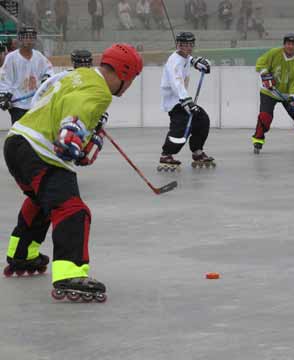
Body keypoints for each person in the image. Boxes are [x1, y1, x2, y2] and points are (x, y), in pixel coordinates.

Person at [3, 43, 143, 302]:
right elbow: (79, 105)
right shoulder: (100, 92)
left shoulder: (79, 75)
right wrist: (72, 131)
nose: (131, 83)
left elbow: (47, 95)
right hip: (41, 150)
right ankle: (70, 274)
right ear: (125, 72)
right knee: (72, 210)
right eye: (133, 78)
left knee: (41, 201)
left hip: (16, 141)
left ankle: (22, 254)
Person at [157, 32, 214, 171]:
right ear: (178, 45)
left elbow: (190, 60)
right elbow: (176, 83)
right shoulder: (174, 62)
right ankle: (166, 154)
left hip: (182, 99)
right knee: (180, 127)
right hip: (175, 101)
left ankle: (197, 151)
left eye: (190, 44)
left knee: (202, 119)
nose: (188, 47)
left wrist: (200, 63)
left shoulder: (185, 57)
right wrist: (186, 101)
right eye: (185, 45)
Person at [251, 33, 294, 154]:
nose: (290, 46)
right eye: (288, 43)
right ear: (284, 44)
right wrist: (265, 74)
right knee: (265, 117)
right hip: (269, 92)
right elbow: (261, 62)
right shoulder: (274, 53)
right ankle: (258, 140)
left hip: (287, 95)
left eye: (293, 44)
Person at [0, 26, 54, 125]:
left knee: (34, 132)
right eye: (26, 37)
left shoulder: (39, 56)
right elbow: (4, 78)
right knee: (19, 133)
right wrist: (3, 95)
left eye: (31, 38)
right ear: (20, 39)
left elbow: (49, 69)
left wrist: (46, 78)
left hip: (35, 101)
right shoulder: (11, 58)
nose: (29, 40)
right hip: (17, 103)